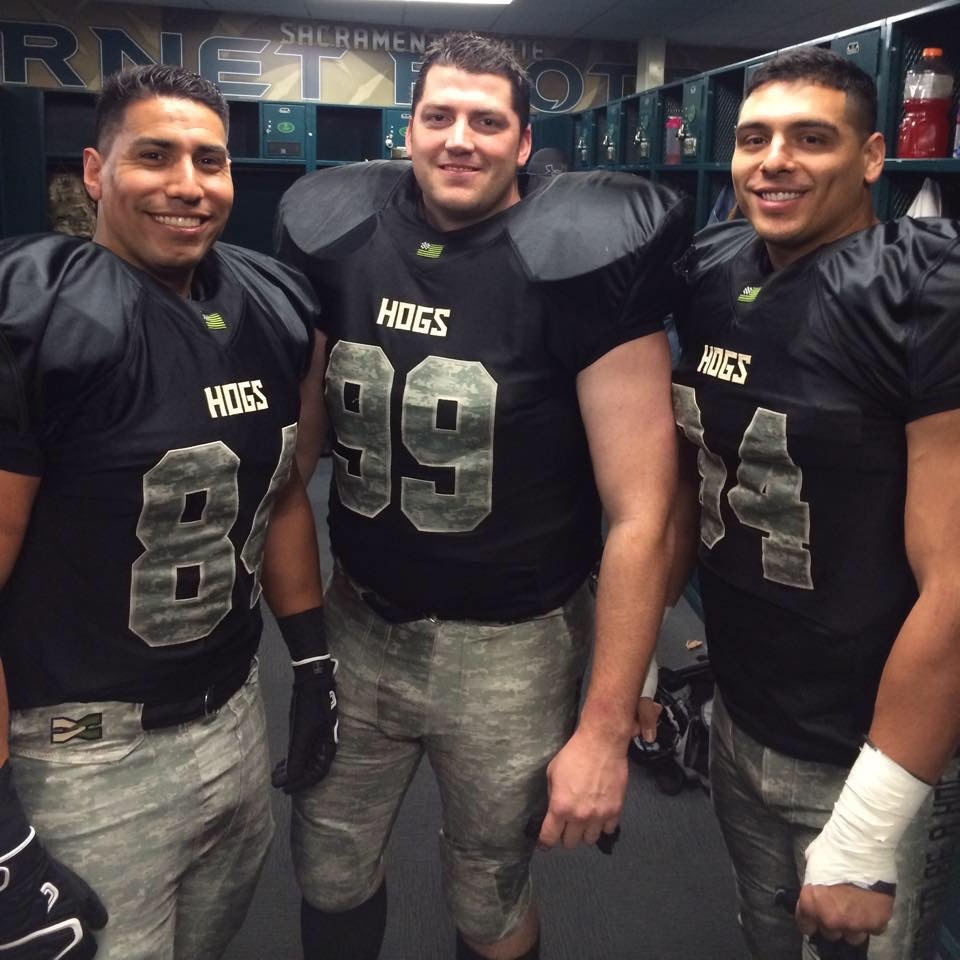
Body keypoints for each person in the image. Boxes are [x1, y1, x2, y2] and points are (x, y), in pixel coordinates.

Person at [275, 31, 690, 960]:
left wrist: (606, 725)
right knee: (329, 862)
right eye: (439, 116)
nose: (461, 138)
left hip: (513, 648)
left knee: (487, 888)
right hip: (358, 623)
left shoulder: (580, 260)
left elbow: (642, 519)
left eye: (487, 121)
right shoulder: (339, 239)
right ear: (407, 130)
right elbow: (292, 465)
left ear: (525, 143)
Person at [0, 64, 338, 960]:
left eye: (210, 161)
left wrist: (310, 664)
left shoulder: (270, 301)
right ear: (95, 171)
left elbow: (285, 496)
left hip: (231, 716)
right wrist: (0, 828)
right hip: (78, 751)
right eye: (154, 156)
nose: (188, 185)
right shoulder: (40, 313)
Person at [669, 47, 960, 959]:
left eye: (811, 139)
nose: (775, 160)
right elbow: (683, 481)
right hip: (743, 711)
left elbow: (955, 581)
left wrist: (871, 827)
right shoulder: (713, 270)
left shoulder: (925, 290)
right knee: (765, 934)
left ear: (873, 157)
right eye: (754, 139)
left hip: (862, 744)